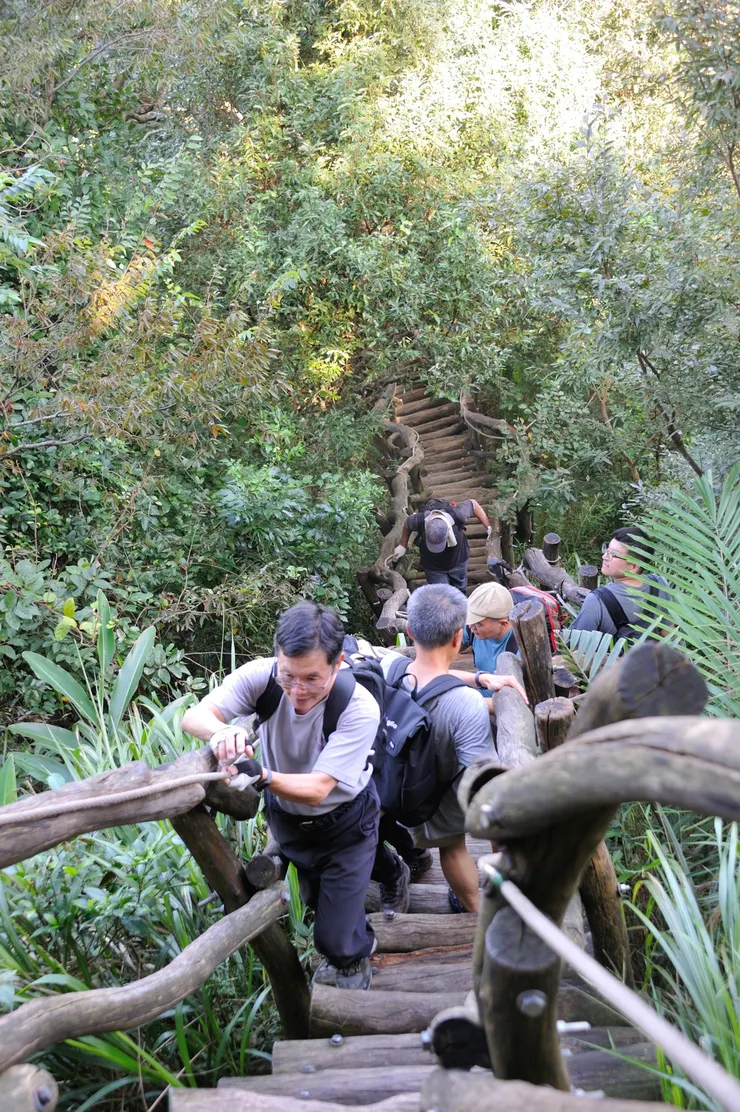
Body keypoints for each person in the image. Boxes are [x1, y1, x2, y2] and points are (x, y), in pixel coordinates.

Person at [181, 602, 383, 991]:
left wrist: (261, 776)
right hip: (288, 822)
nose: (297, 690)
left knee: (334, 938)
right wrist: (221, 733)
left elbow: (319, 788)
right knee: (316, 903)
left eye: (312, 678)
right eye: (288, 675)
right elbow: (195, 715)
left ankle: (354, 957)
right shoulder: (263, 677)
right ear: (277, 657)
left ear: (337, 664)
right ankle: (351, 929)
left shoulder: (358, 706)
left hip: (346, 824)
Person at [372, 584, 496, 914]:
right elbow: (482, 777)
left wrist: (479, 679)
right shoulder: (466, 705)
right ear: (458, 638)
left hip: (393, 791)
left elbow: (427, 673)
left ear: (409, 630)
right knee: (453, 846)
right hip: (438, 801)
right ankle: (476, 910)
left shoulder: (389, 669)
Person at [570, 527, 668, 639]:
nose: (604, 556)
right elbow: (668, 633)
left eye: (612, 554)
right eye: (606, 550)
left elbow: (575, 647)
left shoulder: (596, 601)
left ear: (633, 566)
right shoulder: (659, 584)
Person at [392, 498, 492, 591]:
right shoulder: (419, 520)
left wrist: (489, 528)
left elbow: (473, 504)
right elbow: (407, 524)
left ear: (448, 530)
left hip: (458, 559)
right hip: (433, 566)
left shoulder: (458, 514)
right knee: (441, 594)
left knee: (460, 586)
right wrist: (402, 545)